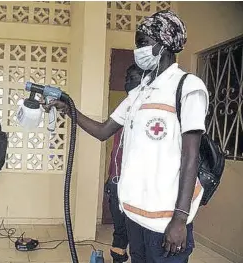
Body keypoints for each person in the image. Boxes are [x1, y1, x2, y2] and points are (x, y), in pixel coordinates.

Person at [45, 10, 208, 263]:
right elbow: (103, 131)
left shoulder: (187, 87)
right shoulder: (140, 93)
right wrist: (69, 109)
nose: (138, 50)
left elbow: (191, 156)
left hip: (165, 220)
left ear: (163, 44)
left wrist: (180, 219)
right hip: (134, 215)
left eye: (142, 43)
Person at [105, 64, 144, 263]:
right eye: (127, 77)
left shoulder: (146, 110)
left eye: (133, 77)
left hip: (136, 188)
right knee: (119, 233)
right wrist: (110, 179)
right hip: (116, 183)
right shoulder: (125, 108)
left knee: (136, 234)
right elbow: (116, 151)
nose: (128, 81)